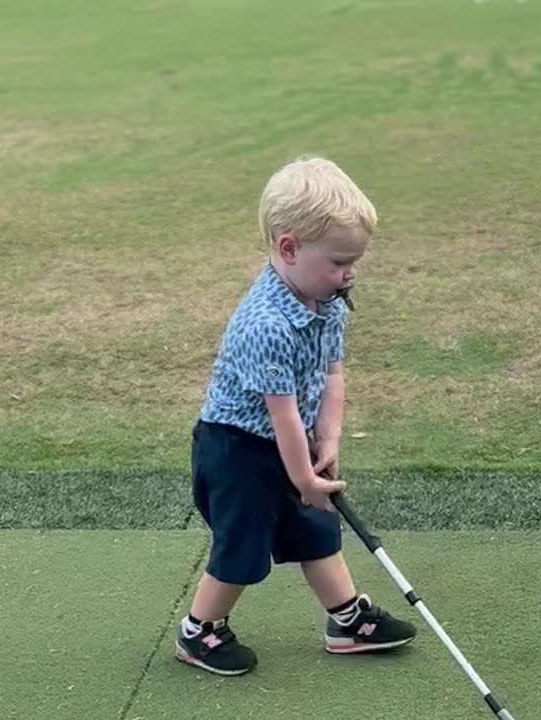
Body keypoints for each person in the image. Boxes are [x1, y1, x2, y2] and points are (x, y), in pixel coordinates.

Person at [175, 155, 416, 676]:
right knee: (242, 544)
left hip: (290, 438)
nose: (348, 272)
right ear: (289, 247)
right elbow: (280, 413)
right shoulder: (265, 324)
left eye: (353, 260)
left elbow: (332, 376)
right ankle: (200, 631)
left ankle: (346, 620)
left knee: (315, 527)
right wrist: (303, 476)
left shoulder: (326, 300)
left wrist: (328, 440)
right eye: (338, 261)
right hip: (236, 449)